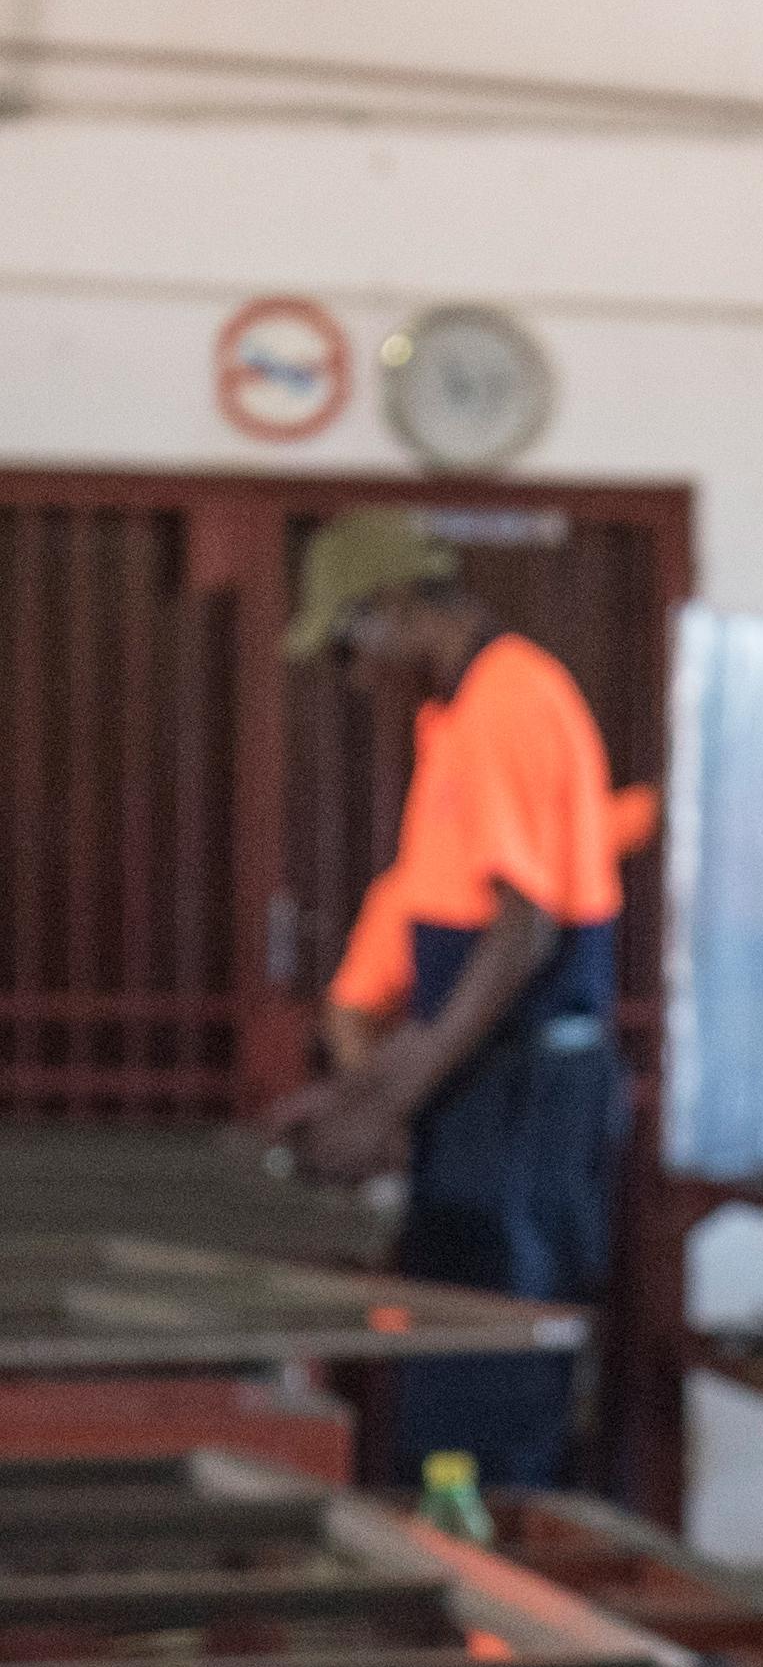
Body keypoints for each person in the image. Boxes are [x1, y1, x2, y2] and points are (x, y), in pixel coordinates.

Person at [271, 505, 628, 1492]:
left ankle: (500, 1611)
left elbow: (522, 932)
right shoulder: (457, 715)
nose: (352, 676)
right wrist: (362, 1090)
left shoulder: (512, 698)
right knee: (450, 1354)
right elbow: (452, 947)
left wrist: (392, 1098)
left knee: (495, 1362)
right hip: (485, 1084)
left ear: (393, 608)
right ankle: (458, 1581)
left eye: (349, 646)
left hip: (526, 1094)